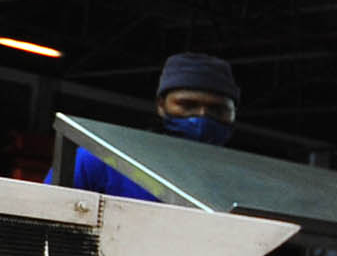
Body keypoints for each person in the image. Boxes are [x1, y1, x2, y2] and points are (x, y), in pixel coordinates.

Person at [47, 51, 239, 200]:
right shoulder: (101, 160)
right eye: (187, 105)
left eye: (218, 109)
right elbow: (45, 218)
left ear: (233, 114)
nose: (202, 117)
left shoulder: (243, 183)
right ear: (161, 105)